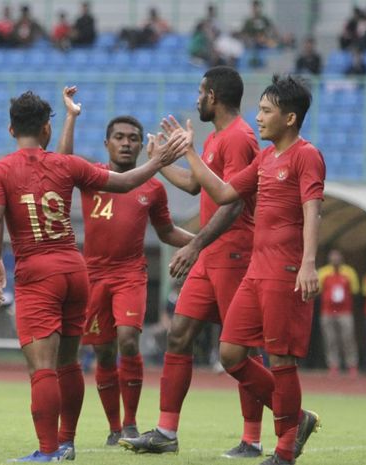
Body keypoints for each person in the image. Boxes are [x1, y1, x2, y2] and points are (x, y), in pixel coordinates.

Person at [0, 90, 189, 462]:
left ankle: (47, 451)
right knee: (69, 362)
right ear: (47, 129)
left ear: (12, 129)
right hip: (77, 270)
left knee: (43, 368)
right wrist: (158, 161)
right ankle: (66, 442)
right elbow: (125, 183)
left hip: (37, 271)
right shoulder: (66, 165)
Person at [157, 74, 324, 465]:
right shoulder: (266, 158)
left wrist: (309, 263)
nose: (259, 117)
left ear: (290, 118)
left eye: (267, 111)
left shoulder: (306, 155)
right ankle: (296, 419)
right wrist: (190, 153)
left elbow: (312, 208)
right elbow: (225, 193)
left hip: (285, 270)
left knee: (281, 360)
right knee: (231, 354)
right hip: (255, 270)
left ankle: (284, 451)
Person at [119, 66, 264, 458]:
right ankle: (166, 431)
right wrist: (160, 160)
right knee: (179, 334)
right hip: (211, 253)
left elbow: (232, 205)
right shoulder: (218, 137)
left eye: (201, 92)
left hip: (234, 253)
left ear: (213, 96)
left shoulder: (239, 138)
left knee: (241, 349)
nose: (197, 98)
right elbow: (196, 184)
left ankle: (254, 437)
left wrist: (195, 244)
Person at [56, 89, 195, 446]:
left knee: (128, 340)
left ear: (140, 145)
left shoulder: (153, 187)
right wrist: (71, 116)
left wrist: (200, 241)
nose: (127, 144)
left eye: (133, 138)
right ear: (107, 143)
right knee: (103, 351)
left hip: (130, 275)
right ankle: (114, 428)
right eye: (119, 137)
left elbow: (165, 232)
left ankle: (132, 424)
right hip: (94, 277)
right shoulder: (93, 176)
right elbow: (61, 161)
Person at [317, 249, 359, 378]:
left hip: (345, 312)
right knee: (330, 339)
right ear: (329, 259)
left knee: (348, 338)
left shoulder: (349, 272)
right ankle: (333, 365)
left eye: (337, 257)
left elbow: (355, 290)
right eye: (332, 257)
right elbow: (318, 291)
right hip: (327, 311)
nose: (335, 259)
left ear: (341, 258)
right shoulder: (323, 272)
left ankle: (352, 365)